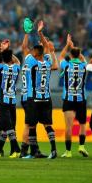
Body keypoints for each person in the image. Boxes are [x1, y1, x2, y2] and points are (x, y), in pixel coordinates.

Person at [21, 21, 58, 159]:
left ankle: (31, 152)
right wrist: (40, 33)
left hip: (33, 98)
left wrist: (26, 32)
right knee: (47, 125)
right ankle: (53, 150)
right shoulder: (48, 63)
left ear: (35, 54)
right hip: (46, 98)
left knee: (31, 125)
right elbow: (48, 48)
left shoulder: (32, 62)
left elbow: (24, 47)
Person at [0, 40, 21, 158]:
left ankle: (15, 149)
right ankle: (4, 150)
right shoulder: (15, 68)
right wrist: (6, 51)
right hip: (12, 100)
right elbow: (18, 61)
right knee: (10, 126)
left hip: (1, 101)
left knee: (6, 126)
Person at [59, 34, 88, 158]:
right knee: (82, 125)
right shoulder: (83, 66)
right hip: (81, 99)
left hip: (69, 99)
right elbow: (82, 59)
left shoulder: (66, 65)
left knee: (69, 127)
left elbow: (60, 56)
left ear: (70, 55)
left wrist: (68, 45)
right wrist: (76, 49)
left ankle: (68, 152)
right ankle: (81, 146)